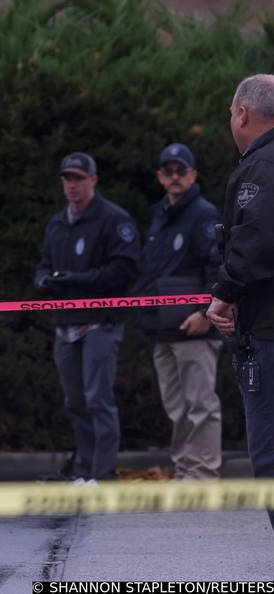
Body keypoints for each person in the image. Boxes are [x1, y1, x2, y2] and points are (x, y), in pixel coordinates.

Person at [34, 152, 140, 484]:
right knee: (75, 401)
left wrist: (77, 280)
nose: (72, 185)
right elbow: (44, 263)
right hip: (64, 324)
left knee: (98, 399)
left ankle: (103, 474)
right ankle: (84, 470)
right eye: (67, 179)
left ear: (93, 180)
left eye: (79, 178)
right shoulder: (57, 223)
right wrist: (43, 280)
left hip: (100, 322)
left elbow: (124, 270)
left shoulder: (114, 220)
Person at [133, 143, 223, 480]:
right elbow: (151, 272)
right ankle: (186, 470)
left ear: (193, 175)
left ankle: (204, 475)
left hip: (195, 326)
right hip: (164, 327)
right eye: (168, 171)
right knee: (177, 408)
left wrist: (205, 312)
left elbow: (216, 267)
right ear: (159, 176)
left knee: (201, 404)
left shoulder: (203, 214)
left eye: (180, 171)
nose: (174, 177)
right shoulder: (160, 216)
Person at [208, 74, 274, 528]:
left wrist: (224, 294)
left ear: (244, 113)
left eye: (232, 113)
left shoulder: (262, 166)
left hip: (269, 331)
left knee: (269, 461)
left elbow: (256, 242)